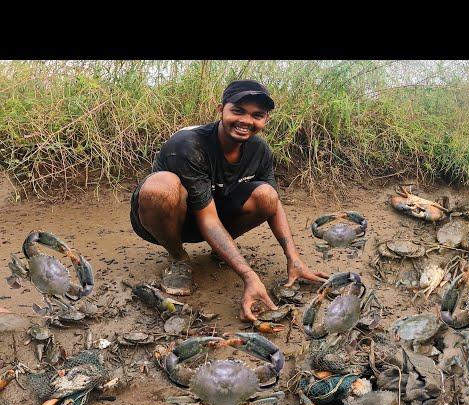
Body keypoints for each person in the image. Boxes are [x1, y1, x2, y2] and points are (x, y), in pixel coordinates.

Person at [130, 79, 328, 323]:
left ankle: (221, 250)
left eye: (257, 115)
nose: (246, 121)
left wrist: (293, 257)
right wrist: (248, 275)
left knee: (267, 195)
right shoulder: (187, 145)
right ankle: (178, 258)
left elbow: (274, 205)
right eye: (237, 111)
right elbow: (208, 218)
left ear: (265, 120)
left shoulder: (259, 150)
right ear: (220, 109)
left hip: (213, 214)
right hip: (170, 220)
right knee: (161, 187)